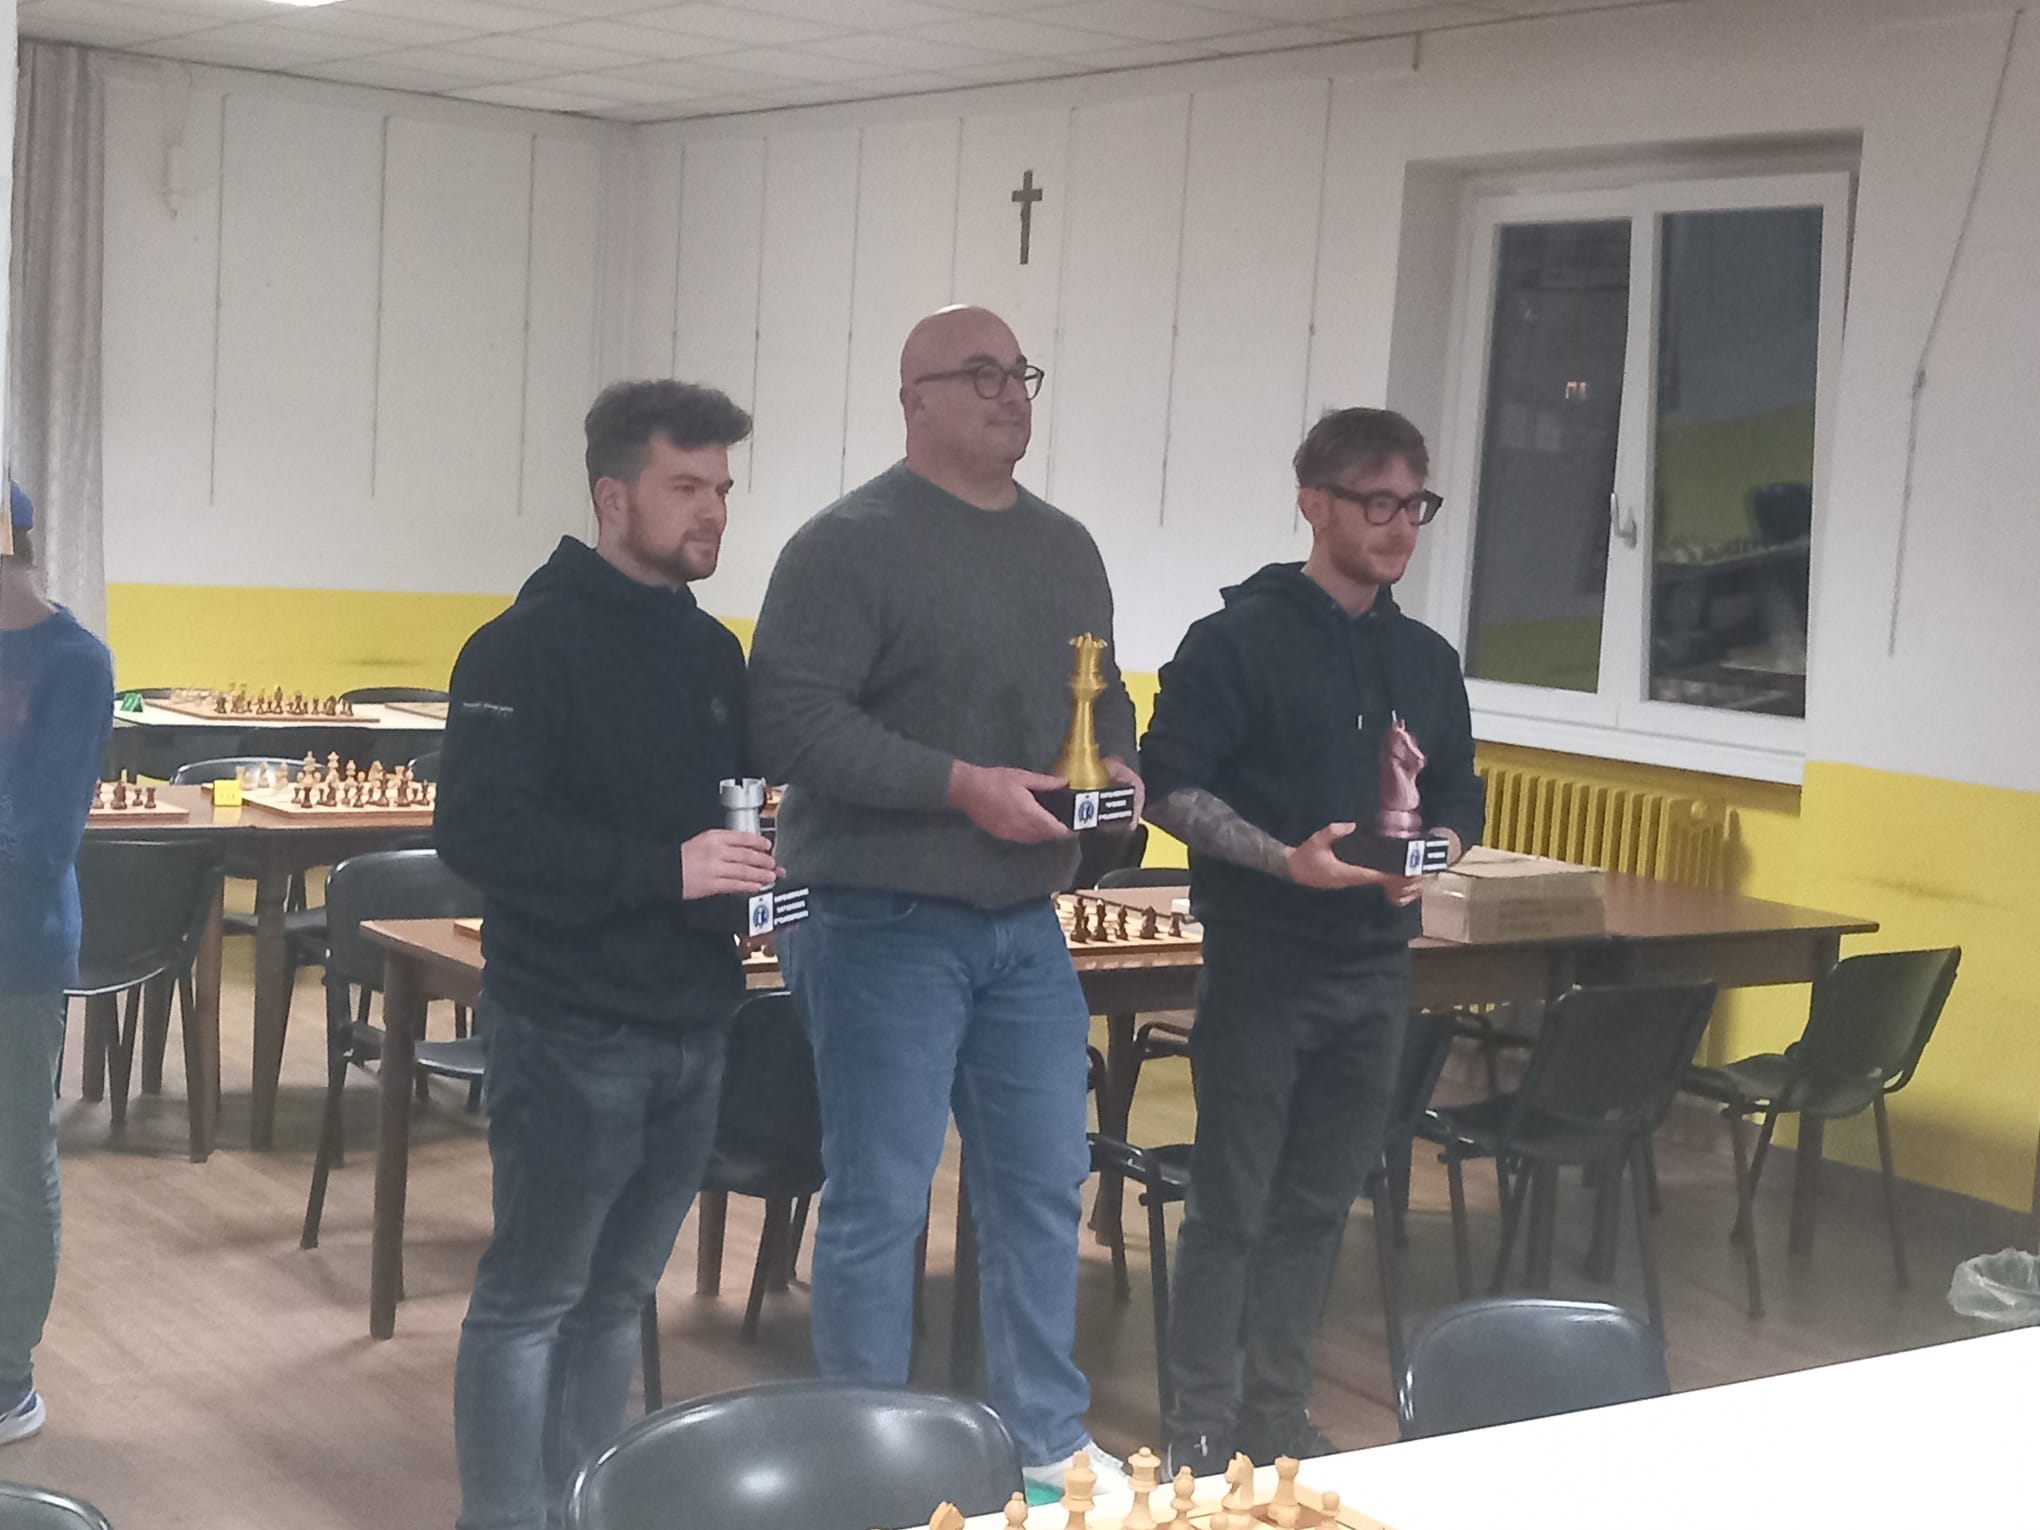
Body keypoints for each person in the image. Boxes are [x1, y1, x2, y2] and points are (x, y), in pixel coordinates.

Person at [749, 306, 1142, 1497]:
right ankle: (866, 1453)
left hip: (1025, 920)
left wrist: (1119, 768)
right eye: (980, 374)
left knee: (1043, 1182)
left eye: (1020, 372)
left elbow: (1103, 700)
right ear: (914, 396)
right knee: (882, 1197)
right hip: (877, 916)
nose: (1010, 392)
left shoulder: (1066, 547)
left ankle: (1043, 1438)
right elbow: (793, 724)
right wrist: (960, 786)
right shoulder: (845, 545)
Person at [437, 382, 777, 1530]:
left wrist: (758, 869)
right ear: (612, 496)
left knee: (619, 1297)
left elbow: (734, 815)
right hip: (568, 1025)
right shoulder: (521, 647)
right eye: (687, 487)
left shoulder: (715, 654)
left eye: (722, 488)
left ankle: (578, 1510)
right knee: (531, 1303)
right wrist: (664, 871)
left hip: (697, 1024)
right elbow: (478, 832)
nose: (713, 511)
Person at [1139, 407, 1485, 1473]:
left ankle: (1276, 1414)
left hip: (1376, 968)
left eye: (1415, 505)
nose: (1400, 526)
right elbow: (1169, 784)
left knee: (1321, 1205)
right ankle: (1199, 1426)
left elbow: (1461, 798)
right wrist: (1285, 859)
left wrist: (1431, 854)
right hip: (1264, 963)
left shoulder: (1425, 657)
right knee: (1232, 1205)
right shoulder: (1236, 640)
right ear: (1315, 505)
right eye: (1377, 503)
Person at [0, 480, 114, 1448]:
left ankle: (7, 1378)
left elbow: (41, 841)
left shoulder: (74, 664)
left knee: (11, 1160)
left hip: (17, 950)